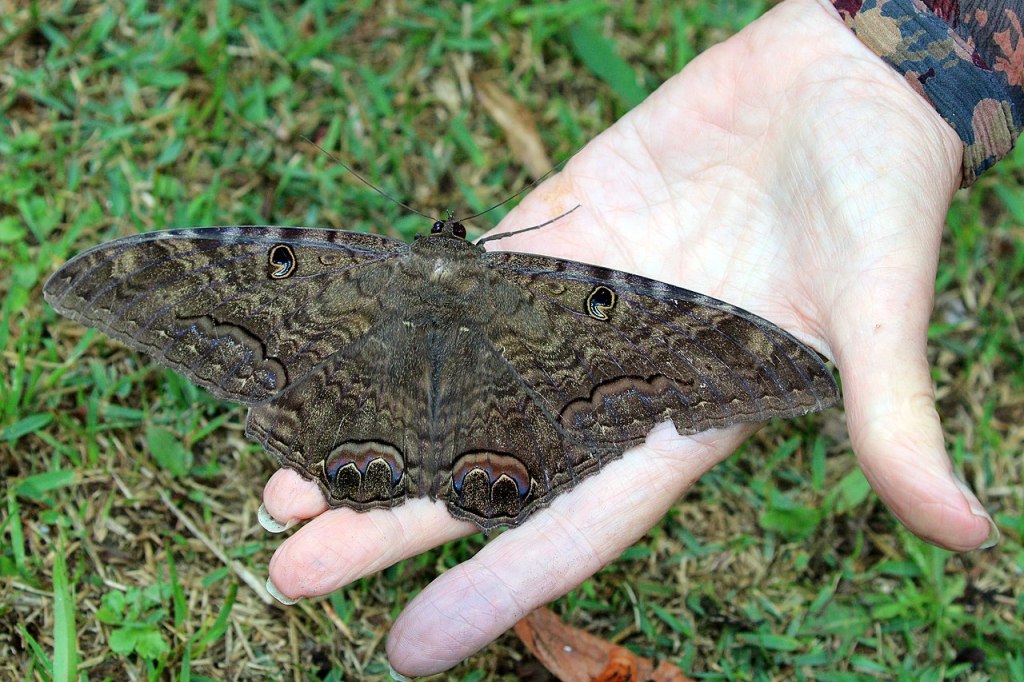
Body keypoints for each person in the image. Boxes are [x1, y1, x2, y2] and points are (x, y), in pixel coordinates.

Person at [257, 0, 1022, 675]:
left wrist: (891, 58)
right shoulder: (543, 290)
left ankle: (366, 456)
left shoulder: (338, 271)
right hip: (510, 425)